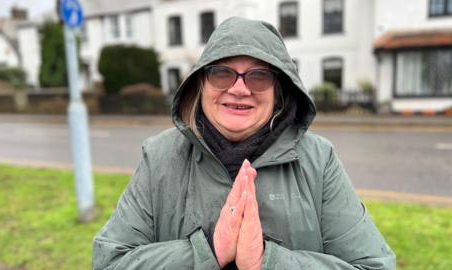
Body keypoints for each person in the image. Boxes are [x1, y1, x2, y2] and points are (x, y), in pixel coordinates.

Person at [93, 17, 396, 269]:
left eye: (259, 76)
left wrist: (267, 262)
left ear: (280, 89)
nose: (239, 89)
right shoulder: (159, 156)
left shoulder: (319, 160)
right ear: (202, 81)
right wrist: (207, 251)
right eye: (222, 72)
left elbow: (374, 265)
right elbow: (109, 262)